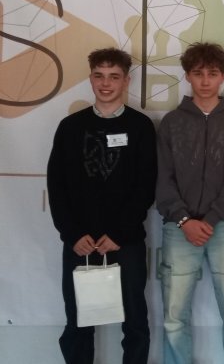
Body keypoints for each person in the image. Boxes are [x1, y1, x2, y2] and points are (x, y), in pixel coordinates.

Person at [47, 47, 156, 364]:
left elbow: (145, 186)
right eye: (99, 76)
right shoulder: (70, 127)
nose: (106, 83)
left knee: (135, 321)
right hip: (80, 242)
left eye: (114, 76)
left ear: (126, 81)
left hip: (126, 241)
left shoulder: (140, 126)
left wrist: (120, 233)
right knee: (78, 321)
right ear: (91, 78)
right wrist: (71, 234)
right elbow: (57, 186)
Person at [156, 42, 224, 364]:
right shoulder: (171, 122)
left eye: (212, 73)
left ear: (223, 76)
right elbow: (162, 178)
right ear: (187, 76)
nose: (205, 81)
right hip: (179, 228)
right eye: (198, 73)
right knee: (174, 317)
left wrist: (210, 219)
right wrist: (184, 220)